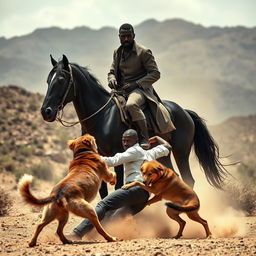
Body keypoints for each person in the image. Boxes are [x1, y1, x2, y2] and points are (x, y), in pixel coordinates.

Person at [68, 129, 171, 239]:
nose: (125, 143)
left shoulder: (134, 151)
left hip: (134, 188)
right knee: (111, 217)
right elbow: (168, 146)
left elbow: (113, 161)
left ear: (136, 140)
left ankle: (77, 233)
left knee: (102, 205)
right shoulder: (151, 153)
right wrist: (157, 138)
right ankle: (93, 236)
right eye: (124, 140)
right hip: (144, 196)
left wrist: (89, 157)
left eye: (128, 140)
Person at [108, 23, 174, 149]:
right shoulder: (117, 52)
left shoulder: (143, 52)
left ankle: (145, 137)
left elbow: (155, 73)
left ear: (133, 35)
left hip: (140, 90)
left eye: (128, 36)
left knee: (131, 105)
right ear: (119, 37)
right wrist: (112, 79)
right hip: (120, 90)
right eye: (123, 36)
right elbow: (111, 72)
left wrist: (136, 84)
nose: (126, 39)